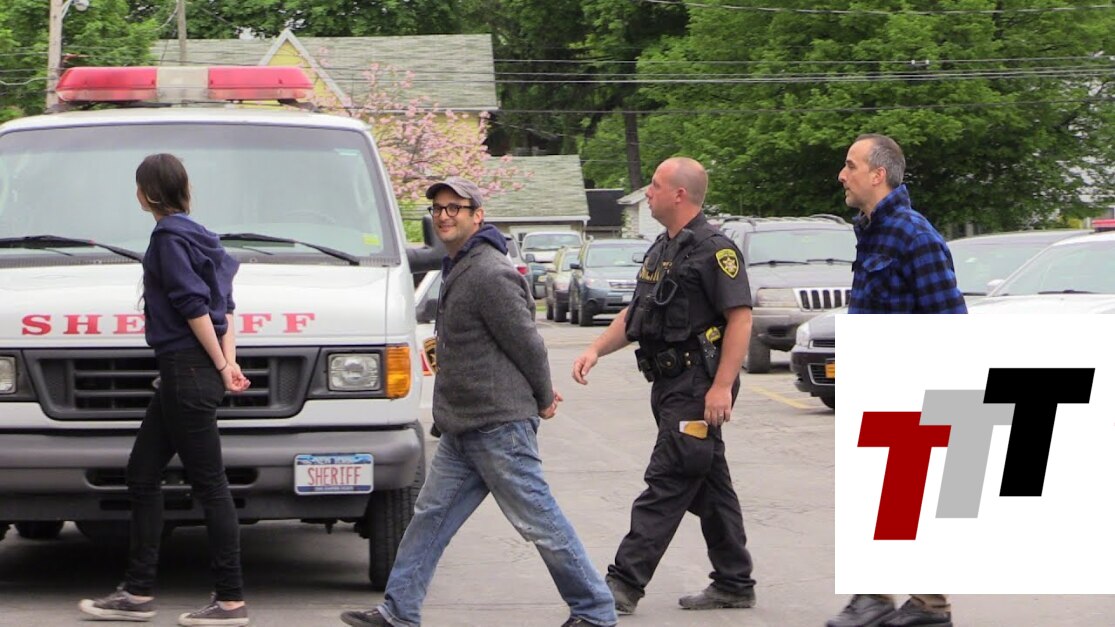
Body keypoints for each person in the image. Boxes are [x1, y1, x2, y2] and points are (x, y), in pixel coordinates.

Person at [340, 177, 616, 627]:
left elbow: (528, 344)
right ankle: (399, 611)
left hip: (499, 427)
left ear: (478, 215)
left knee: (539, 521)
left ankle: (595, 611)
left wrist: (543, 397)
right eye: (438, 208)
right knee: (430, 517)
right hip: (463, 426)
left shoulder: (490, 272)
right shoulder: (460, 265)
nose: (444, 215)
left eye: (455, 207)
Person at [572, 157, 756, 615]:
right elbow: (636, 315)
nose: (648, 193)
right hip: (669, 384)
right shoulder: (663, 248)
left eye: (655, 185)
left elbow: (740, 318)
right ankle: (734, 581)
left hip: (697, 385)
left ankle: (622, 583)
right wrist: (595, 349)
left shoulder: (716, 251)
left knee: (668, 479)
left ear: (680, 194)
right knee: (709, 483)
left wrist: (721, 387)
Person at [79, 154, 252, 626]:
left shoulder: (168, 239)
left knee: (210, 485)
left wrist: (222, 364)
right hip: (191, 370)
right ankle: (137, 593)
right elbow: (226, 307)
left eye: (138, 187)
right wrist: (228, 362)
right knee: (142, 473)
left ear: (147, 193)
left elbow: (194, 306)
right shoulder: (204, 237)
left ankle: (230, 600)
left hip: (186, 369)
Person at [826, 134, 964, 627]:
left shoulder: (914, 236)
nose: (842, 175)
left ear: (878, 174)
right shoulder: (872, 232)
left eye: (851, 165)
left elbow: (949, 321)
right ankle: (882, 598)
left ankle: (925, 606)